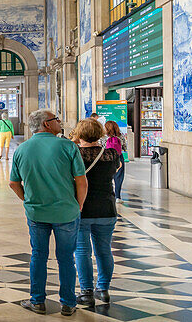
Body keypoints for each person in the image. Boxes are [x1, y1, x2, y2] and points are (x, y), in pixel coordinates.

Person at [9, 110, 87, 316]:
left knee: (38, 256)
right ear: (46, 124)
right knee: (66, 258)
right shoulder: (68, 146)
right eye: (56, 120)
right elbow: (81, 181)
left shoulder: (22, 149)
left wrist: (27, 199)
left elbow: (13, 182)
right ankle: (68, 303)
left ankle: (37, 301)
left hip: (37, 212)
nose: (59, 122)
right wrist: (78, 205)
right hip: (66, 212)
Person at [73, 119, 120, 307]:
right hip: (107, 207)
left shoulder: (76, 154)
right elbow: (116, 170)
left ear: (79, 133)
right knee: (104, 250)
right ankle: (104, 289)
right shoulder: (111, 153)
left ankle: (86, 292)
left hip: (82, 208)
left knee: (82, 251)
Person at [103, 121, 126, 200]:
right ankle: (118, 197)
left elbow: (101, 146)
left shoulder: (104, 137)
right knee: (119, 176)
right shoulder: (120, 136)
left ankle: (107, 194)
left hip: (107, 158)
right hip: (119, 157)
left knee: (107, 176)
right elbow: (124, 147)